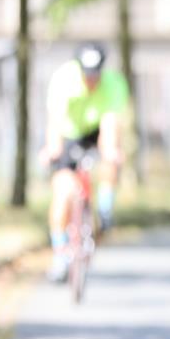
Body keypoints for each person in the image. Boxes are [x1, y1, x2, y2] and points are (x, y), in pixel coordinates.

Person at [40, 43, 129, 282]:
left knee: (111, 156)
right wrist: (52, 149)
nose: (91, 80)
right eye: (87, 75)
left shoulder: (114, 83)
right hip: (69, 133)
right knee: (62, 192)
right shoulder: (64, 79)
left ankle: (105, 205)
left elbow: (111, 123)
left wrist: (111, 152)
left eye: (95, 75)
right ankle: (60, 254)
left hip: (97, 130)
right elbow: (55, 120)